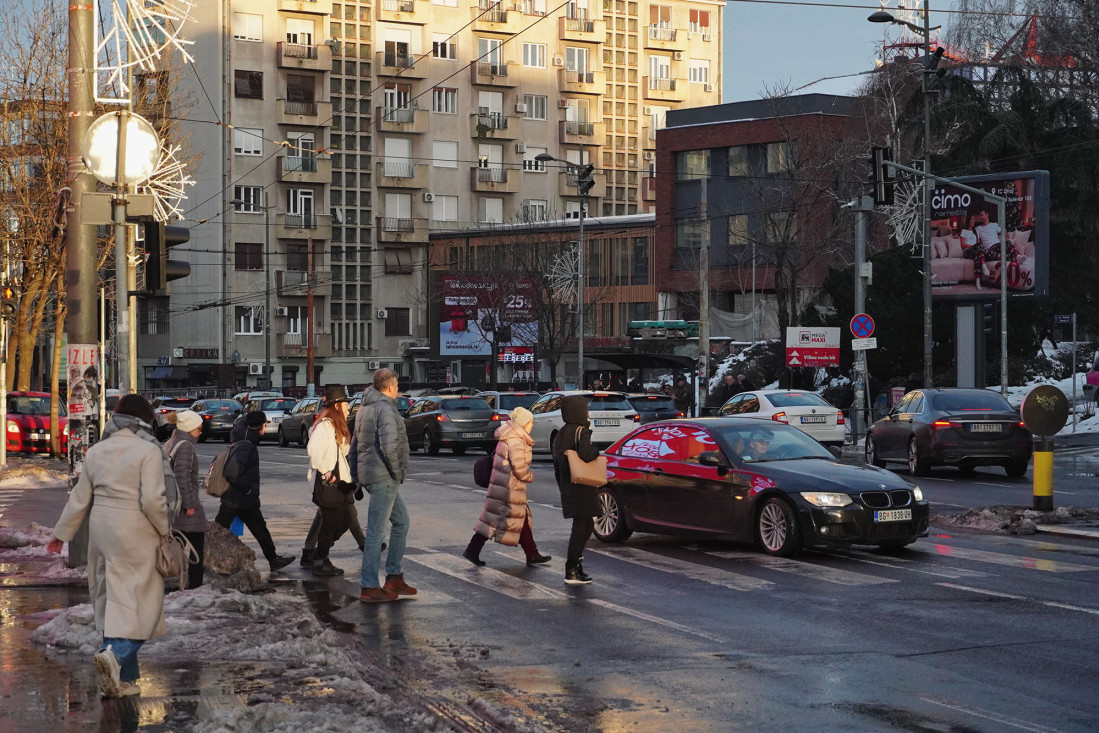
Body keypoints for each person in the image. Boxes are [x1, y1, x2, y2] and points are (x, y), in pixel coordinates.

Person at [47, 394, 173, 698]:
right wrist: (165, 530)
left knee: (111, 601)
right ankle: (115, 656)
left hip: (101, 529)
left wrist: (61, 534)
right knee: (144, 605)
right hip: (137, 529)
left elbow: (80, 498)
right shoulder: (148, 450)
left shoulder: (97, 451)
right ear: (145, 420)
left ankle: (122, 680)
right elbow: (152, 500)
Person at [462, 407, 551, 568]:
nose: (532, 425)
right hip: (509, 488)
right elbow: (519, 467)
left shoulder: (509, 436)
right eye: (530, 422)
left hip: (503, 485)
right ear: (523, 423)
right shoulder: (516, 440)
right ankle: (472, 550)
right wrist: (529, 476)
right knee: (496, 520)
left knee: (513, 519)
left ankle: (532, 553)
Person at [355, 368, 415, 603]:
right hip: (384, 475)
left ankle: (394, 576)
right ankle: (369, 585)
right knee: (376, 532)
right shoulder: (386, 408)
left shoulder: (364, 407)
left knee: (401, 522)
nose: (398, 390)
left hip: (371, 474)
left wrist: (355, 475)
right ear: (390, 387)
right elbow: (389, 446)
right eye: (397, 386)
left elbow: (354, 444)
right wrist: (398, 473)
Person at [215, 411, 295, 572]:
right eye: (264, 425)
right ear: (258, 427)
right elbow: (233, 472)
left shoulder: (242, 442)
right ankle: (273, 560)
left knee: (221, 530)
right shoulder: (246, 445)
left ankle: (273, 559)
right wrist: (247, 488)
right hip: (241, 498)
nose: (265, 428)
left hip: (233, 497)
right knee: (257, 529)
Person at [305, 387, 357, 577]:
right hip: (329, 484)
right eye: (345, 404)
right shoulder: (325, 427)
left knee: (343, 521)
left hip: (339, 484)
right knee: (332, 522)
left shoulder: (335, 426)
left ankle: (320, 553)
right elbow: (313, 450)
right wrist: (326, 472)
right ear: (336, 406)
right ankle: (320, 559)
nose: (348, 408)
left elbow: (343, 452)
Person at [552, 395, 601, 585]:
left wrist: (562, 486)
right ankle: (571, 570)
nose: (587, 412)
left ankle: (576, 566)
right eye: (585, 409)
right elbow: (587, 455)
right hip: (582, 486)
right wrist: (596, 450)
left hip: (568, 484)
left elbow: (557, 464)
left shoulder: (561, 433)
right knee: (582, 528)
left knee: (584, 525)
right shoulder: (582, 431)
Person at [163, 409, 207, 589]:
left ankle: (177, 581)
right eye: (199, 428)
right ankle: (194, 585)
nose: (201, 432)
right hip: (185, 505)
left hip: (174, 503)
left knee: (176, 543)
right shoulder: (186, 446)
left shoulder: (172, 442)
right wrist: (190, 505)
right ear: (190, 428)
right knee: (196, 545)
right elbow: (182, 477)